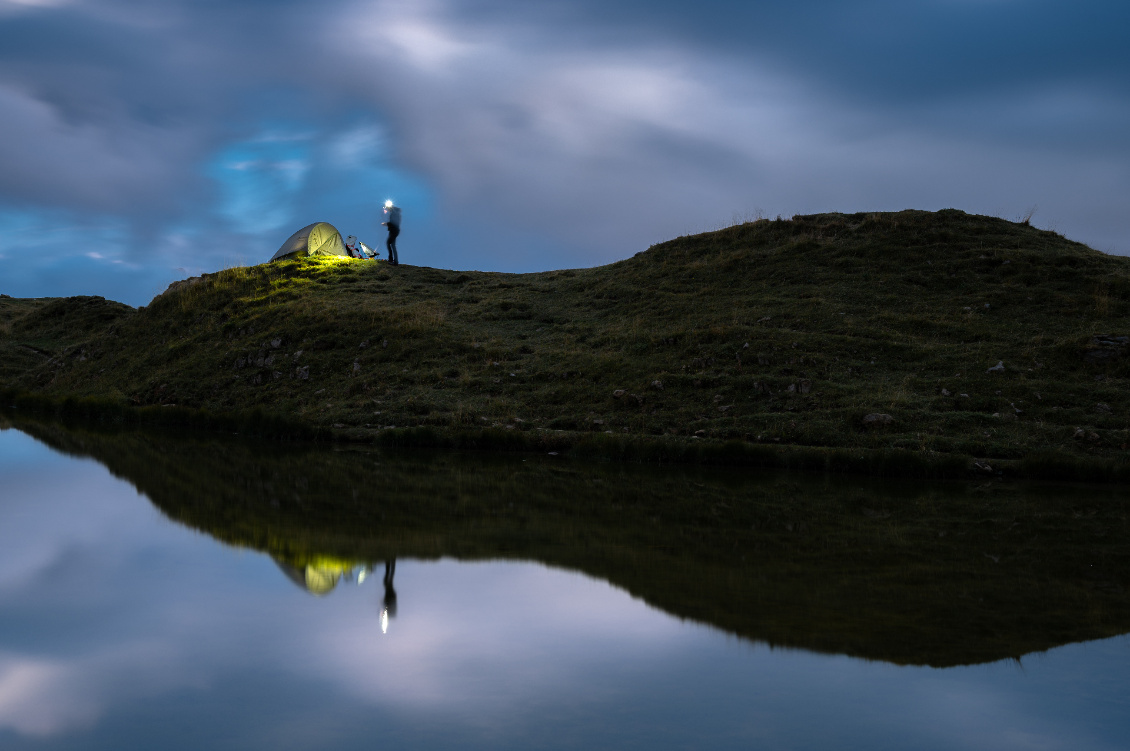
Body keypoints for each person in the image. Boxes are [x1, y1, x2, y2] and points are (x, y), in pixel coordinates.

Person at [381, 200, 401, 266]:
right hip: (394, 231)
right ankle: (394, 261)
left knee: (389, 244)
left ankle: (393, 260)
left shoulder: (394, 213)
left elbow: (394, 223)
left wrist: (386, 224)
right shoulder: (395, 212)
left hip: (394, 231)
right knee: (392, 245)